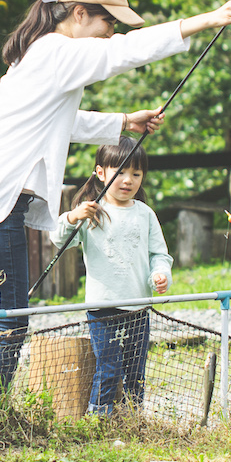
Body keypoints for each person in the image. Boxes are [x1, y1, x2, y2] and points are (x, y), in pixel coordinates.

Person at [0, 0, 231, 409]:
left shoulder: (38, 52)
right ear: (79, 13)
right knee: (11, 322)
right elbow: (126, 52)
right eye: (108, 22)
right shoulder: (59, 50)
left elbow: (60, 120)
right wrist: (207, 19)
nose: (110, 32)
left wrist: (122, 122)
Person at [51, 137, 171, 415]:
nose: (128, 180)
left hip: (139, 306)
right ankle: (99, 419)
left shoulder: (146, 214)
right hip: (102, 306)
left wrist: (161, 274)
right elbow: (60, 241)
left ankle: (134, 418)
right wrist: (72, 217)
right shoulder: (91, 211)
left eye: (136, 174)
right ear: (101, 172)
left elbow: (160, 254)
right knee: (109, 367)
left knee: (135, 368)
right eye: (120, 172)